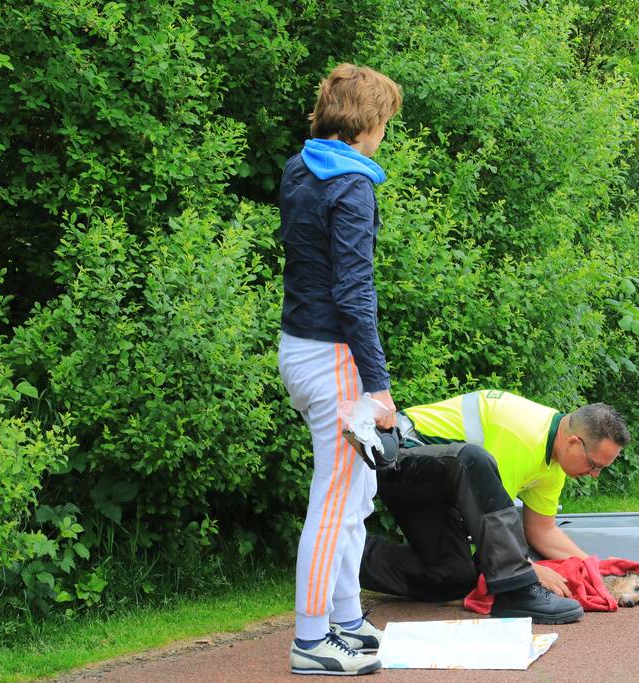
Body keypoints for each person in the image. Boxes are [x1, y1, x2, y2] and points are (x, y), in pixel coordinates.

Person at [277, 63, 402, 676]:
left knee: (356, 491)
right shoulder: (352, 186)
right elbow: (356, 294)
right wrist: (377, 385)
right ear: (369, 123)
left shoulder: (300, 167)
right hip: (333, 360)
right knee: (333, 501)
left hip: (298, 347)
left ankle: (347, 619)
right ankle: (310, 639)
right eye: (385, 124)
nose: (385, 135)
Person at [359, 390, 631, 624]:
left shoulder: (554, 463)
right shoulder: (524, 435)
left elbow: (542, 532)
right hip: (397, 457)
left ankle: (346, 556)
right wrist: (529, 570)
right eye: (595, 465)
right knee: (473, 460)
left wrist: (596, 568)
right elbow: (494, 521)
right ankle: (517, 592)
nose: (594, 474)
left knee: (454, 576)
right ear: (573, 442)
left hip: (434, 483)